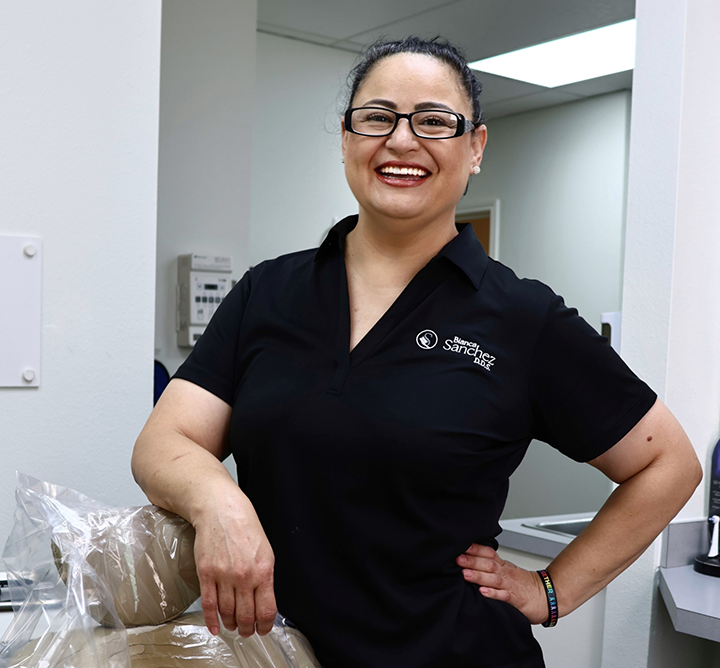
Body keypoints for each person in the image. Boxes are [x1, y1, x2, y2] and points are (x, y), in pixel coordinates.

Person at [132, 37, 702, 668]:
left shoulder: (521, 317)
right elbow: (164, 442)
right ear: (347, 140)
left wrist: (552, 588)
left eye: (434, 121)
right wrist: (220, 503)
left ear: (475, 147)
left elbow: (667, 464)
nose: (402, 142)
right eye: (377, 117)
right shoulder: (269, 291)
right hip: (279, 657)